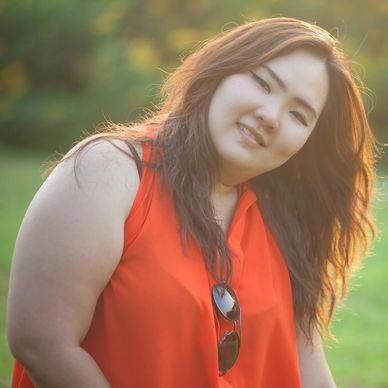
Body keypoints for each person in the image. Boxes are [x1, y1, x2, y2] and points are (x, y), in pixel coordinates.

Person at [7, 17, 377, 388]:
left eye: (298, 114)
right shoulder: (108, 171)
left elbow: (306, 367)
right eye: (263, 83)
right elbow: (41, 340)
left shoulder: (284, 220)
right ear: (221, 71)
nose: (270, 116)